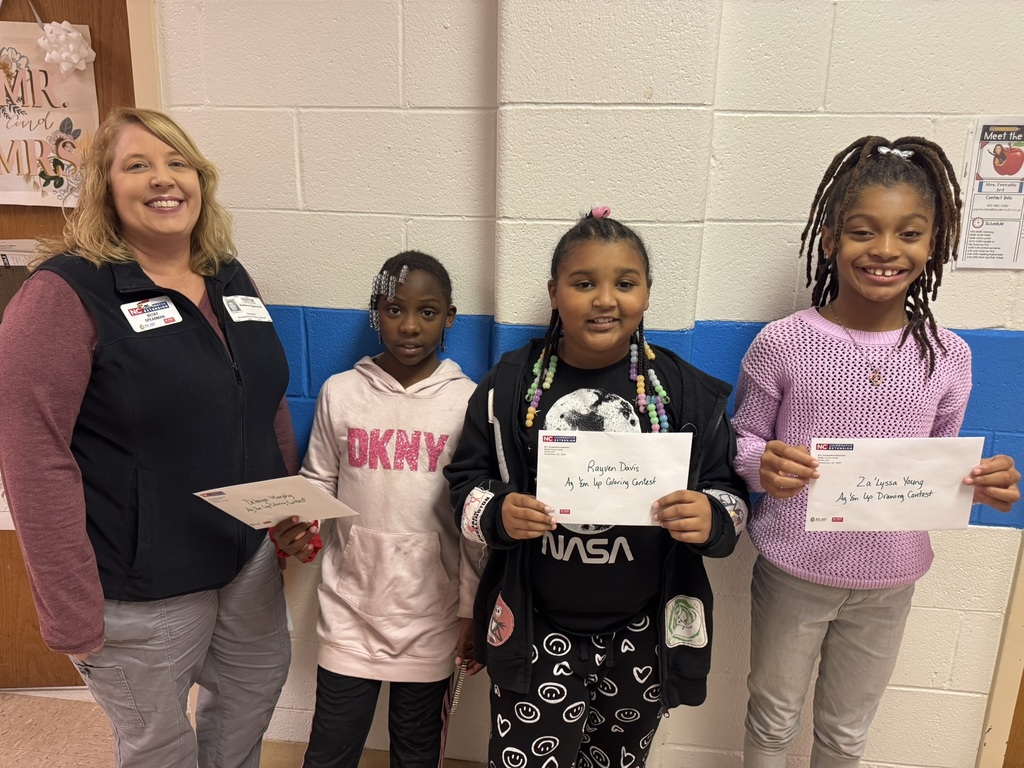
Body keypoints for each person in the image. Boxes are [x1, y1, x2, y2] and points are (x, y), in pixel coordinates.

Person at [0, 107, 301, 768]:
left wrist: (283, 507)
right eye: (137, 165)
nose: (163, 179)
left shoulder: (227, 275)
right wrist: (68, 609)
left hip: (244, 563)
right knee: (159, 749)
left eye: (177, 162)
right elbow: (33, 460)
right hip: (139, 589)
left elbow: (260, 396)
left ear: (201, 180)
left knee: (247, 712)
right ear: (104, 189)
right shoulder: (62, 296)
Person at [734, 136, 1022, 767]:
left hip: (891, 578)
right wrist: (763, 463)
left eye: (910, 234)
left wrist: (979, 483)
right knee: (773, 718)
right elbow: (744, 439)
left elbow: (936, 465)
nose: (886, 251)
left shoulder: (949, 356)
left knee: (845, 732)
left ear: (935, 244)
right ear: (832, 239)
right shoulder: (784, 343)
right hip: (793, 570)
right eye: (864, 231)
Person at [444, 209, 749, 768]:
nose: (605, 299)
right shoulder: (509, 387)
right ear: (555, 293)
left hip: (641, 634)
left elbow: (730, 495)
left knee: (617, 761)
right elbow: (463, 487)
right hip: (537, 627)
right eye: (584, 283)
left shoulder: (684, 393)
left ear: (648, 294)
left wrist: (712, 516)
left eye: (624, 283)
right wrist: (497, 515)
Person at [288, 251, 485, 768]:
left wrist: (470, 610)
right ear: (376, 313)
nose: (410, 325)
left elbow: (472, 523)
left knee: (417, 753)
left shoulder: (468, 402)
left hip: (431, 616)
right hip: (349, 609)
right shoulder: (340, 392)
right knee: (329, 750)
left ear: (450, 317)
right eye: (394, 309)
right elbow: (317, 484)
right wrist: (299, 531)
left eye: (427, 311)